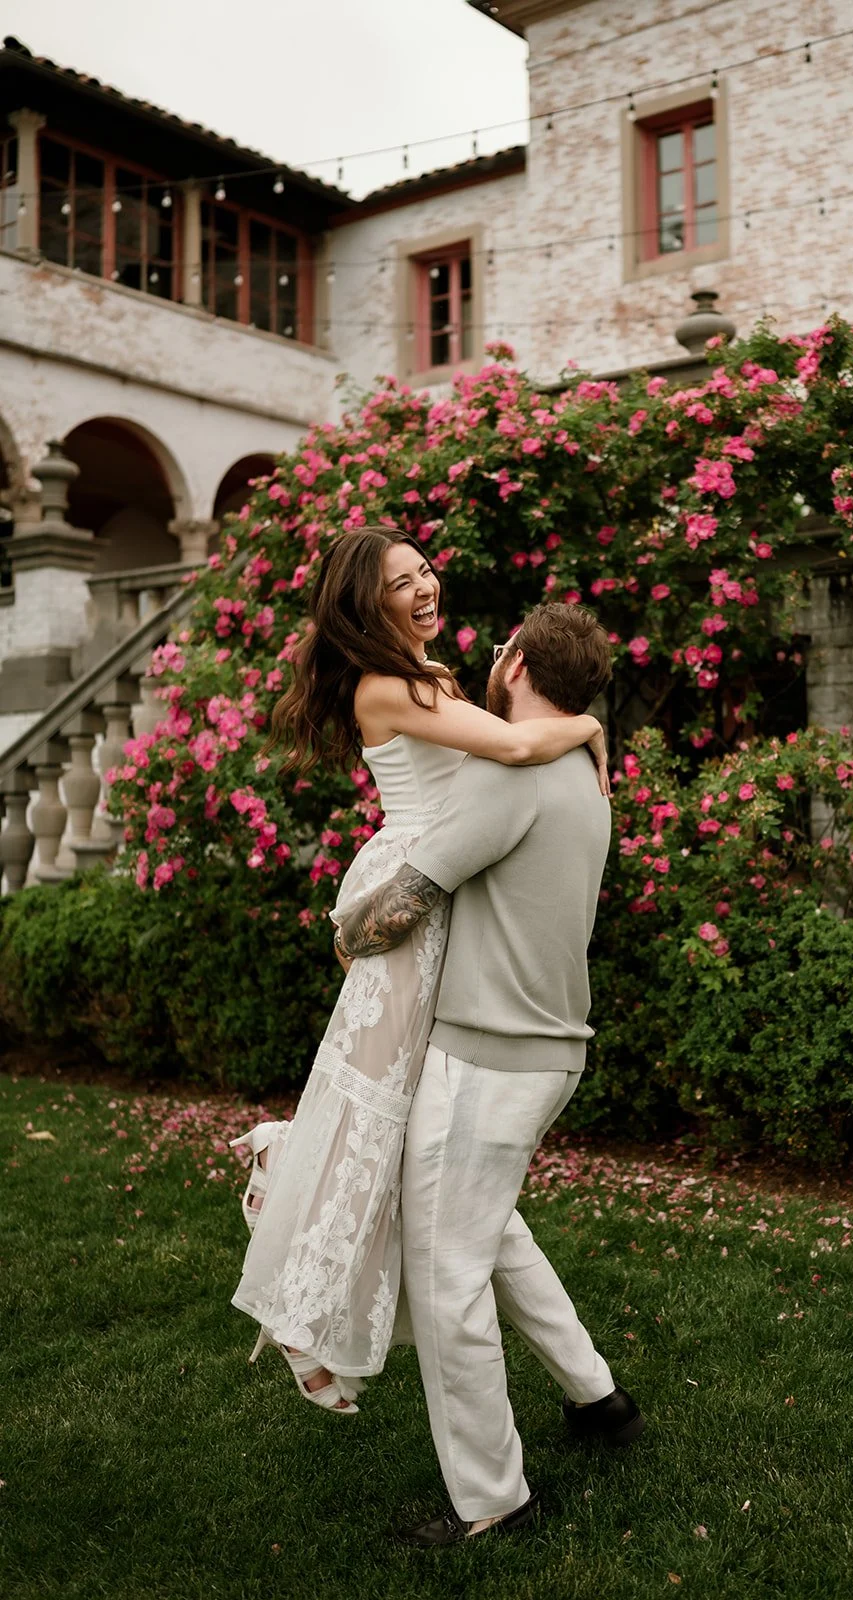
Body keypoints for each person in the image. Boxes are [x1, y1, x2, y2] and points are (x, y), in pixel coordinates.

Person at [230, 527, 608, 1414]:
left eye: (425, 568)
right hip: (418, 890)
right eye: (403, 582)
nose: (425, 586)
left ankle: (594, 1392)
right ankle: (301, 1297)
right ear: (370, 606)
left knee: (421, 1148)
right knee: (377, 1102)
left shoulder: (428, 677)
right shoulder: (386, 685)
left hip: (448, 890)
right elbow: (515, 751)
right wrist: (590, 720)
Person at [334, 603, 644, 1543]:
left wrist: (345, 930)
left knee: (446, 1278)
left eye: (499, 647)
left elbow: (396, 910)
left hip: (484, 1059)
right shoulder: (584, 776)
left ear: (512, 666)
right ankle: (596, 1397)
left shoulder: (510, 780)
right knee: (487, 1226)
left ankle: (491, 1502)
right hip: (544, 1051)